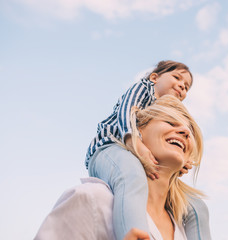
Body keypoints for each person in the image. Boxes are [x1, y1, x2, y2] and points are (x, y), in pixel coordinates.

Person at [35, 95, 211, 240]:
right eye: (171, 123)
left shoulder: (186, 229)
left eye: (190, 131)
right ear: (138, 131)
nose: (185, 131)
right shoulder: (93, 200)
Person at [85, 60, 210, 240]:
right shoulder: (143, 89)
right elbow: (126, 111)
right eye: (177, 78)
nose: (182, 86)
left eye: (186, 87)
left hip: (133, 154)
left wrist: (180, 159)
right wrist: (133, 140)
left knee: (197, 207)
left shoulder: (164, 109)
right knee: (131, 175)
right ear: (154, 77)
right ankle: (135, 233)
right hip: (108, 148)